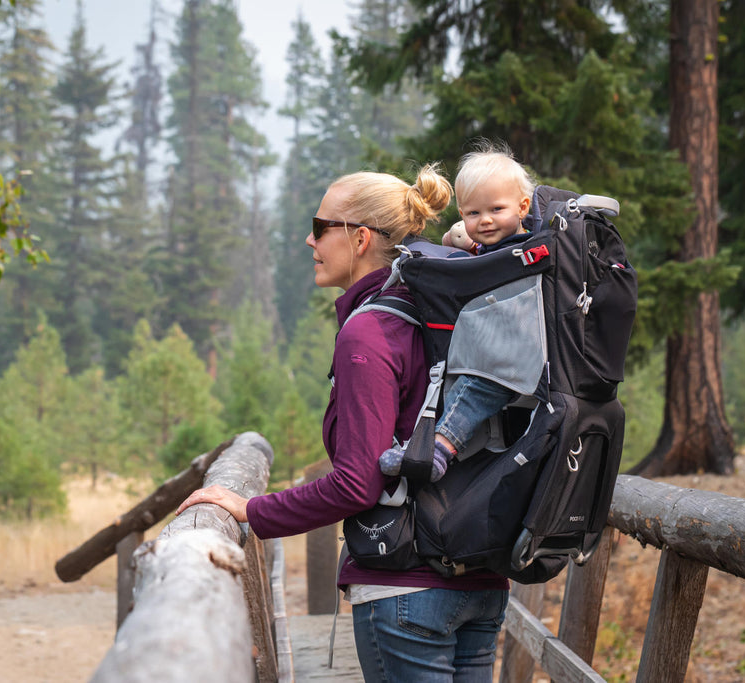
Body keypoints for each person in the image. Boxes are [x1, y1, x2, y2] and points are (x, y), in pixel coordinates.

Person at [178, 164, 510, 682]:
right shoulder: (447, 312)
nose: (307, 238)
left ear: (359, 238)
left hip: (404, 591)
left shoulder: (370, 333)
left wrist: (250, 509)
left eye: (320, 225)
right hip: (481, 580)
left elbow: (358, 483)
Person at [383, 146, 536, 482]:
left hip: (516, 360)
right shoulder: (492, 245)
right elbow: (466, 240)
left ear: (523, 207)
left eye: (496, 209)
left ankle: (437, 449)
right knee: (456, 382)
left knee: (473, 389)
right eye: (472, 213)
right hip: (494, 350)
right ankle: (426, 443)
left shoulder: (526, 250)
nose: (484, 220)